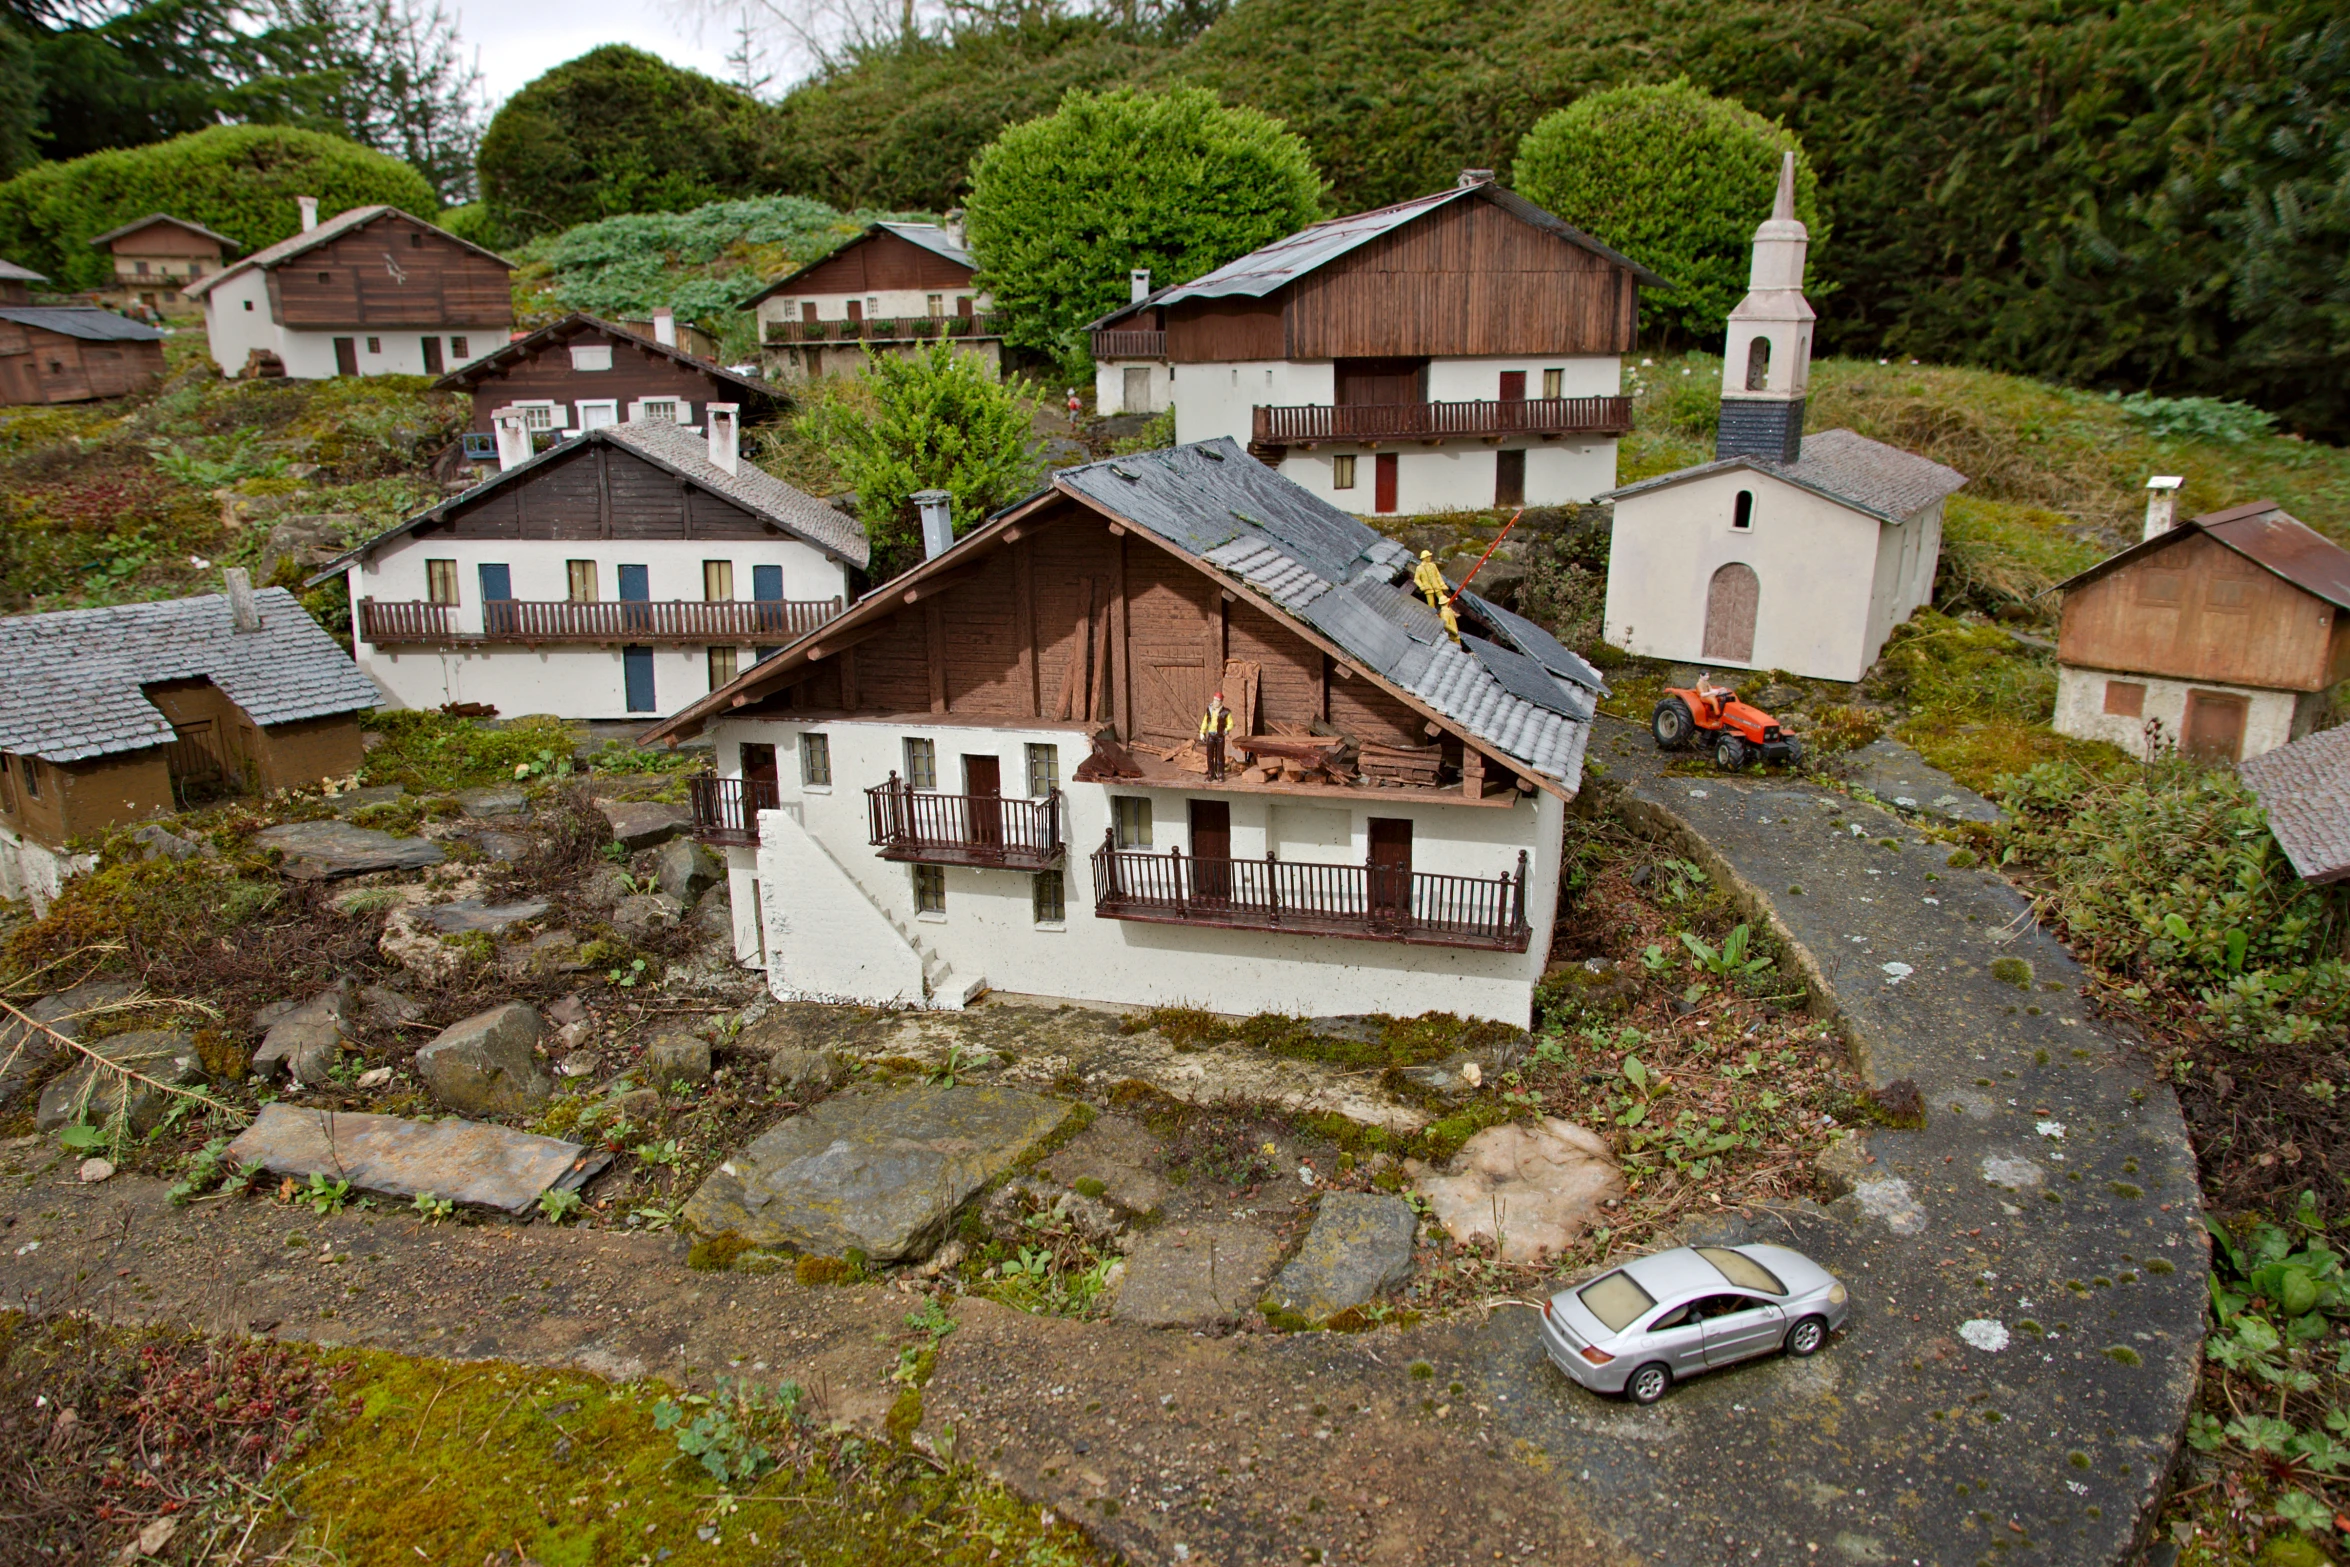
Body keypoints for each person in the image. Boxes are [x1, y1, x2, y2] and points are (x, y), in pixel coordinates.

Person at [1198, 690, 1234, 780]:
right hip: (1211, 735)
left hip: (1220, 736)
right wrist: (1202, 732)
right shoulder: (1209, 710)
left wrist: (1226, 730)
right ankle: (1211, 774)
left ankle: (1220, 774)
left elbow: (1230, 723)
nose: (1215, 702)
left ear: (1221, 702)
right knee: (1209, 755)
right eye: (1214, 700)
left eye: (1217, 700)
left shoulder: (1226, 712)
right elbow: (1205, 722)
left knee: (1220, 755)